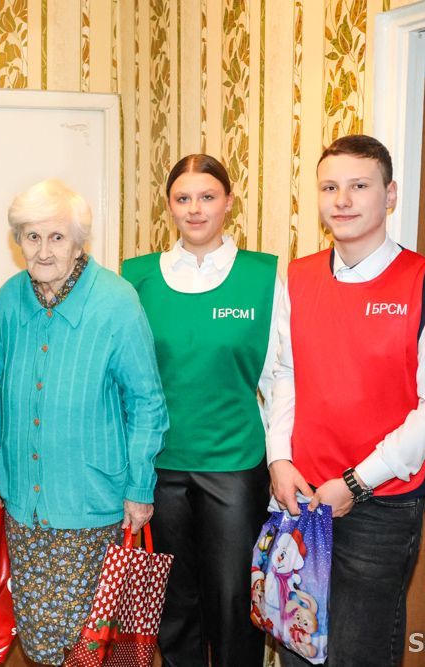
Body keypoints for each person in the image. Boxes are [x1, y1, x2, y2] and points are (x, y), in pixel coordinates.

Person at [267, 135, 425, 665]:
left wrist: (357, 482)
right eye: (329, 187)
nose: (342, 200)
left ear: (390, 194)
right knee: (297, 646)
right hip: (302, 496)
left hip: (380, 505)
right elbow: (286, 372)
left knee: (358, 653)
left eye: (359, 186)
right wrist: (279, 460)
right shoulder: (297, 277)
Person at [0, 179, 168, 665]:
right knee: (40, 633)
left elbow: (147, 402)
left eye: (57, 237)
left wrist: (140, 487)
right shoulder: (11, 297)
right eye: (32, 236)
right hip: (23, 499)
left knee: (90, 639)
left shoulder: (116, 300)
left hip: (92, 501)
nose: (43, 251)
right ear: (18, 241)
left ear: (79, 241)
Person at [121, 154, 280, 666]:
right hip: (158, 467)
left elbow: (281, 379)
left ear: (228, 203)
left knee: (233, 602)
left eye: (207, 197)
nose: (195, 209)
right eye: (183, 198)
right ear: (169, 206)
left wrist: (283, 460)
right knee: (171, 603)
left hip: (234, 465)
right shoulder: (135, 278)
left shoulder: (265, 276)